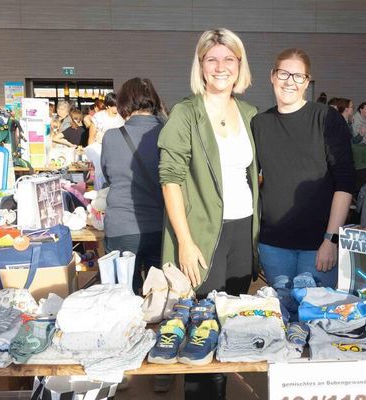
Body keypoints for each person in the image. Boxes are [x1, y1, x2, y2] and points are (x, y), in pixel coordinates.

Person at [157, 27, 257, 400]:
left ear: (239, 65)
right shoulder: (185, 113)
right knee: (199, 327)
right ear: (200, 65)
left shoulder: (248, 113)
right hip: (200, 233)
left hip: (241, 232)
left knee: (229, 321)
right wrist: (184, 242)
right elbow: (170, 179)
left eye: (229, 58)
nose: (220, 66)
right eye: (211, 58)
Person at [252, 48, 355, 289]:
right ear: (272, 76)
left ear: (307, 81)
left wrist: (331, 239)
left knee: (314, 319)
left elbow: (345, 182)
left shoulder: (326, 118)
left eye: (298, 76)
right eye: (284, 74)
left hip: (318, 245)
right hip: (273, 244)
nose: (290, 82)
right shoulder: (260, 123)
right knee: (282, 317)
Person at [101, 77, 166, 294]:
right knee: (159, 297)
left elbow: (108, 175)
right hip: (161, 226)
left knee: (122, 296)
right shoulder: (168, 133)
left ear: (123, 102)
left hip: (121, 226)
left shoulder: (111, 137)